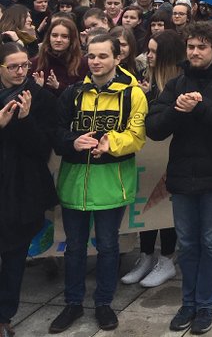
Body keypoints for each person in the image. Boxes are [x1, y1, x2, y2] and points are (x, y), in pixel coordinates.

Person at [145, 23, 212, 335]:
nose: (194, 52)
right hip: (181, 176)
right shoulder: (177, 82)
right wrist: (178, 111)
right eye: (191, 47)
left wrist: (202, 107)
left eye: (201, 47)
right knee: (188, 244)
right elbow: (154, 128)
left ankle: (205, 306)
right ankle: (187, 303)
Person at [49, 34, 147, 334]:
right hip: (74, 184)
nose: (96, 61)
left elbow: (137, 136)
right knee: (74, 248)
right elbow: (55, 132)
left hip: (111, 185)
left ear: (117, 58)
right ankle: (73, 303)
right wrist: (72, 140)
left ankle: (104, 303)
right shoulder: (73, 93)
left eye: (103, 56)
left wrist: (112, 143)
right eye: (91, 56)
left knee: (108, 247)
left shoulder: (133, 94)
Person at [0, 43, 59, 337]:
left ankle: (4, 316)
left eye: (24, 65)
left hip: (22, 190)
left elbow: (43, 148)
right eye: (13, 67)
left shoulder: (40, 98)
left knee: (13, 257)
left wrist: (23, 123)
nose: (20, 72)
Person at [122, 30, 185, 289]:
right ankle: (146, 255)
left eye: (153, 51)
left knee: (164, 208)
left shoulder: (180, 82)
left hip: (172, 157)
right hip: (149, 156)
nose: (148, 56)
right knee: (146, 205)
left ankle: (167, 258)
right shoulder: (149, 78)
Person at [31, 16, 87, 95]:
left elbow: (82, 94)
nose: (58, 40)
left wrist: (59, 86)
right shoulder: (35, 63)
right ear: (49, 37)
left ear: (72, 39)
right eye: (54, 35)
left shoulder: (82, 63)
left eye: (64, 36)